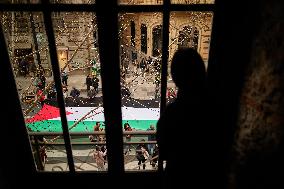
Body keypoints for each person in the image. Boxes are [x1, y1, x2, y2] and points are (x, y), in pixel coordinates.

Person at [156, 48, 210, 188]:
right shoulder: (213, 107)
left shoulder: (173, 112)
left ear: (175, 76)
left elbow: (164, 150)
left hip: (177, 177)